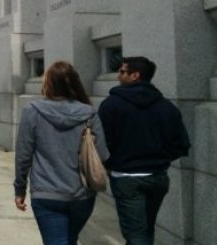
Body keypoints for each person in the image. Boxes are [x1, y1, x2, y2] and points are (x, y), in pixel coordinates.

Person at [14, 61, 109, 245]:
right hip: (82, 195)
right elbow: (103, 154)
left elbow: (23, 156)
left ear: (48, 83)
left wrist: (19, 189)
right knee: (69, 240)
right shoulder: (89, 113)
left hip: (46, 193)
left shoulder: (32, 111)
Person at [98, 56, 190, 245]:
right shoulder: (167, 107)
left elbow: (101, 143)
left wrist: (110, 164)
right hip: (157, 177)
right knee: (145, 230)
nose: (118, 75)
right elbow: (181, 145)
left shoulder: (111, 105)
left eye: (123, 71)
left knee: (137, 234)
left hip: (126, 178)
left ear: (135, 75)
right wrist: (160, 158)